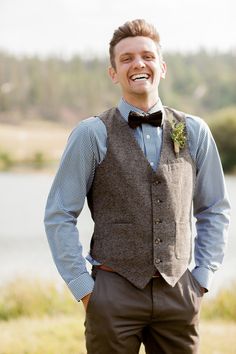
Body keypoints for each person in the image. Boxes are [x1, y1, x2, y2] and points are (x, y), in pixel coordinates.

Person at [44, 19, 230, 354]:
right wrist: (85, 288)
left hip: (179, 292)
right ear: (113, 73)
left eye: (146, 55)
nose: (138, 64)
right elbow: (59, 214)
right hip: (112, 291)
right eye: (126, 58)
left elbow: (214, 209)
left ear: (162, 67)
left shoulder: (195, 131)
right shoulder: (91, 134)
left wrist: (201, 278)